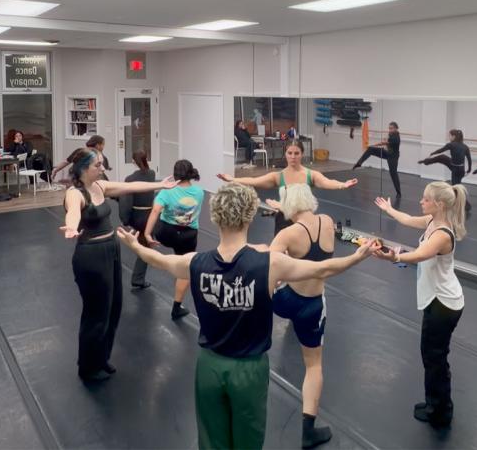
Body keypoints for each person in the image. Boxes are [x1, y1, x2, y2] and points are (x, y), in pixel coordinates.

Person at [115, 183, 378, 449]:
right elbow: (322, 269)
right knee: (247, 442)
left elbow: (159, 260)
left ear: (215, 216)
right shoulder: (270, 264)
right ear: (250, 216)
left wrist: (134, 245)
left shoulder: (194, 263)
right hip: (249, 370)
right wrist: (356, 256)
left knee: (211, 440)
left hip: (209, 366)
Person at [60, 149, 175, 382]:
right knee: (96, 312)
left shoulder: (100, 186)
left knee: (113, 308)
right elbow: (72, 212)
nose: (102, 169)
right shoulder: (76, 193)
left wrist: (159, 185)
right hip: (91, 256)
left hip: (111, 250)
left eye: (102, 164)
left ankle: (102, 358)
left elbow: (130, 187)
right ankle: (88, 367)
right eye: (97, 166)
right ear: (83, 168)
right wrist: (71, 227)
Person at [372, 181, 468, 428]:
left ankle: (441, 411)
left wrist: (394, 256)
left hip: (444, 303)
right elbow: (406, 219)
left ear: (439, 204)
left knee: (435, 357)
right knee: (431, 355)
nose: (421, 202)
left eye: (426, 199)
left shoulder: (442, 234)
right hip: (437, 299)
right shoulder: (431, 222)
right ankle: (434, 402)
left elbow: (420, 254)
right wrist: (389, 209)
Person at [268, 184, 337, 448]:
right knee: (314, 366)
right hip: (312, 305)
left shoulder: (288, 234)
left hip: (285, 300)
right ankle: (308, 431)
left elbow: (269, 268)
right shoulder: (328, 222)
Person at [217, 140, 358, 234]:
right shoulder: (278, 176)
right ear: (285, 154)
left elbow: (327, 182)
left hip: (304, 221)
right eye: (290, 153)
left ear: (302, 154)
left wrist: (342, 185)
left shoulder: (311, 175)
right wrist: (233, 179)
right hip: (283, 222)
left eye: (296, 153)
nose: (293, 157)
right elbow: (254, 180)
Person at [144, 159, 205, 320]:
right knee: (184, 270)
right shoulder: (199, 192)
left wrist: (148, 235)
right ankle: (176, 307)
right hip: (187, 235)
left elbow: (156, 210)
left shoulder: (166, 191)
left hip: (166, 234)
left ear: (175, 173)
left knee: (156, 213)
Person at [119, 151, 156, 289]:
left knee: (143, 247)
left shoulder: (130, 179)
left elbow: (126, 202)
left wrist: (125, 220)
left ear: (133, 162)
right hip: (149, 216)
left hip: (137, 217)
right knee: (145, 245)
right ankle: (138, 278)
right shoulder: (152, 174)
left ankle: (138, 278)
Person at [420, 129, 472, 210]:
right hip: (460, 169)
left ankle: (465, 204)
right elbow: (469, 159)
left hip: (455, 169)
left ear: (454, 136)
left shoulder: (451, 145)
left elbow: (441, 150)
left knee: (456, 187)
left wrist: (432, 153)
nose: (449, 137)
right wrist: (469, 170)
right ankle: (426, 161)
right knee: (442, 158)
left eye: (450, 136)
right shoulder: (465, 147)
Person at [352, 121, 402, 198]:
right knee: (371, 149)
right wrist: (376, 145)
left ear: (396, 128)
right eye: (389, 128)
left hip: (393, 157)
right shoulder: (391, 134)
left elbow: (385, 143)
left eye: (391, 128)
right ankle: (359, 163)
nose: (390, 130)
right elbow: (386, 144)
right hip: (387, 153)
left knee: (393, 174)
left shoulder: (396, 137)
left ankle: (398, 193)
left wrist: (377, 144)